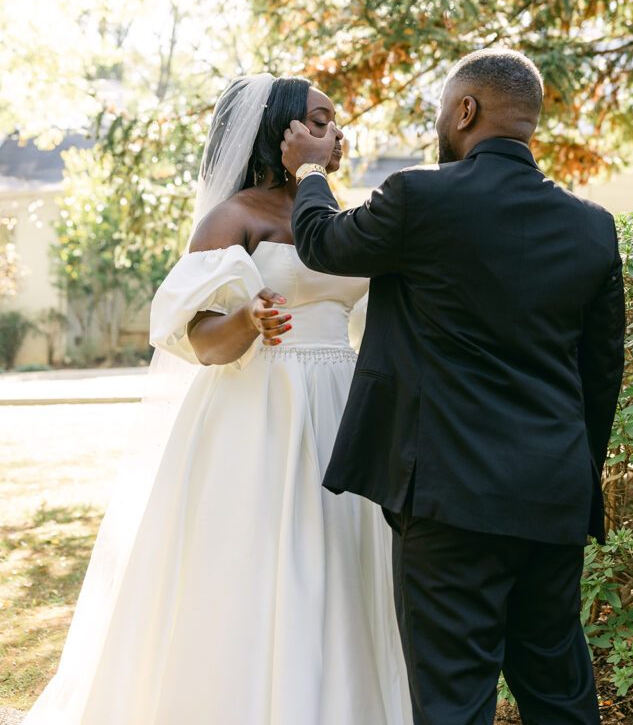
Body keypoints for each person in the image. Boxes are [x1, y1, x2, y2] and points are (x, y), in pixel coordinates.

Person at [24, 73, 411, 725]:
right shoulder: (235, 217)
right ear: (279, 133)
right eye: (318, 122)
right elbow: (198, 339)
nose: (336, 134)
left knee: (340, 574)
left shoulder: (338, 213)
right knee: (265, 571)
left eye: (333, 122)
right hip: (259, 410)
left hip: (341, 408)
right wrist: (248, 321)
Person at [281, 49, 626, 725]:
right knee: (558, 689)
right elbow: (600, 373)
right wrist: (572, 475)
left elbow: (321, 243)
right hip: (553, 496)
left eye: (443, 109)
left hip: (448, 499)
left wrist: (311, 170)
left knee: (453, 700)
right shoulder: (593, 227)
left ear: (464, 110)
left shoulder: (420, 197)